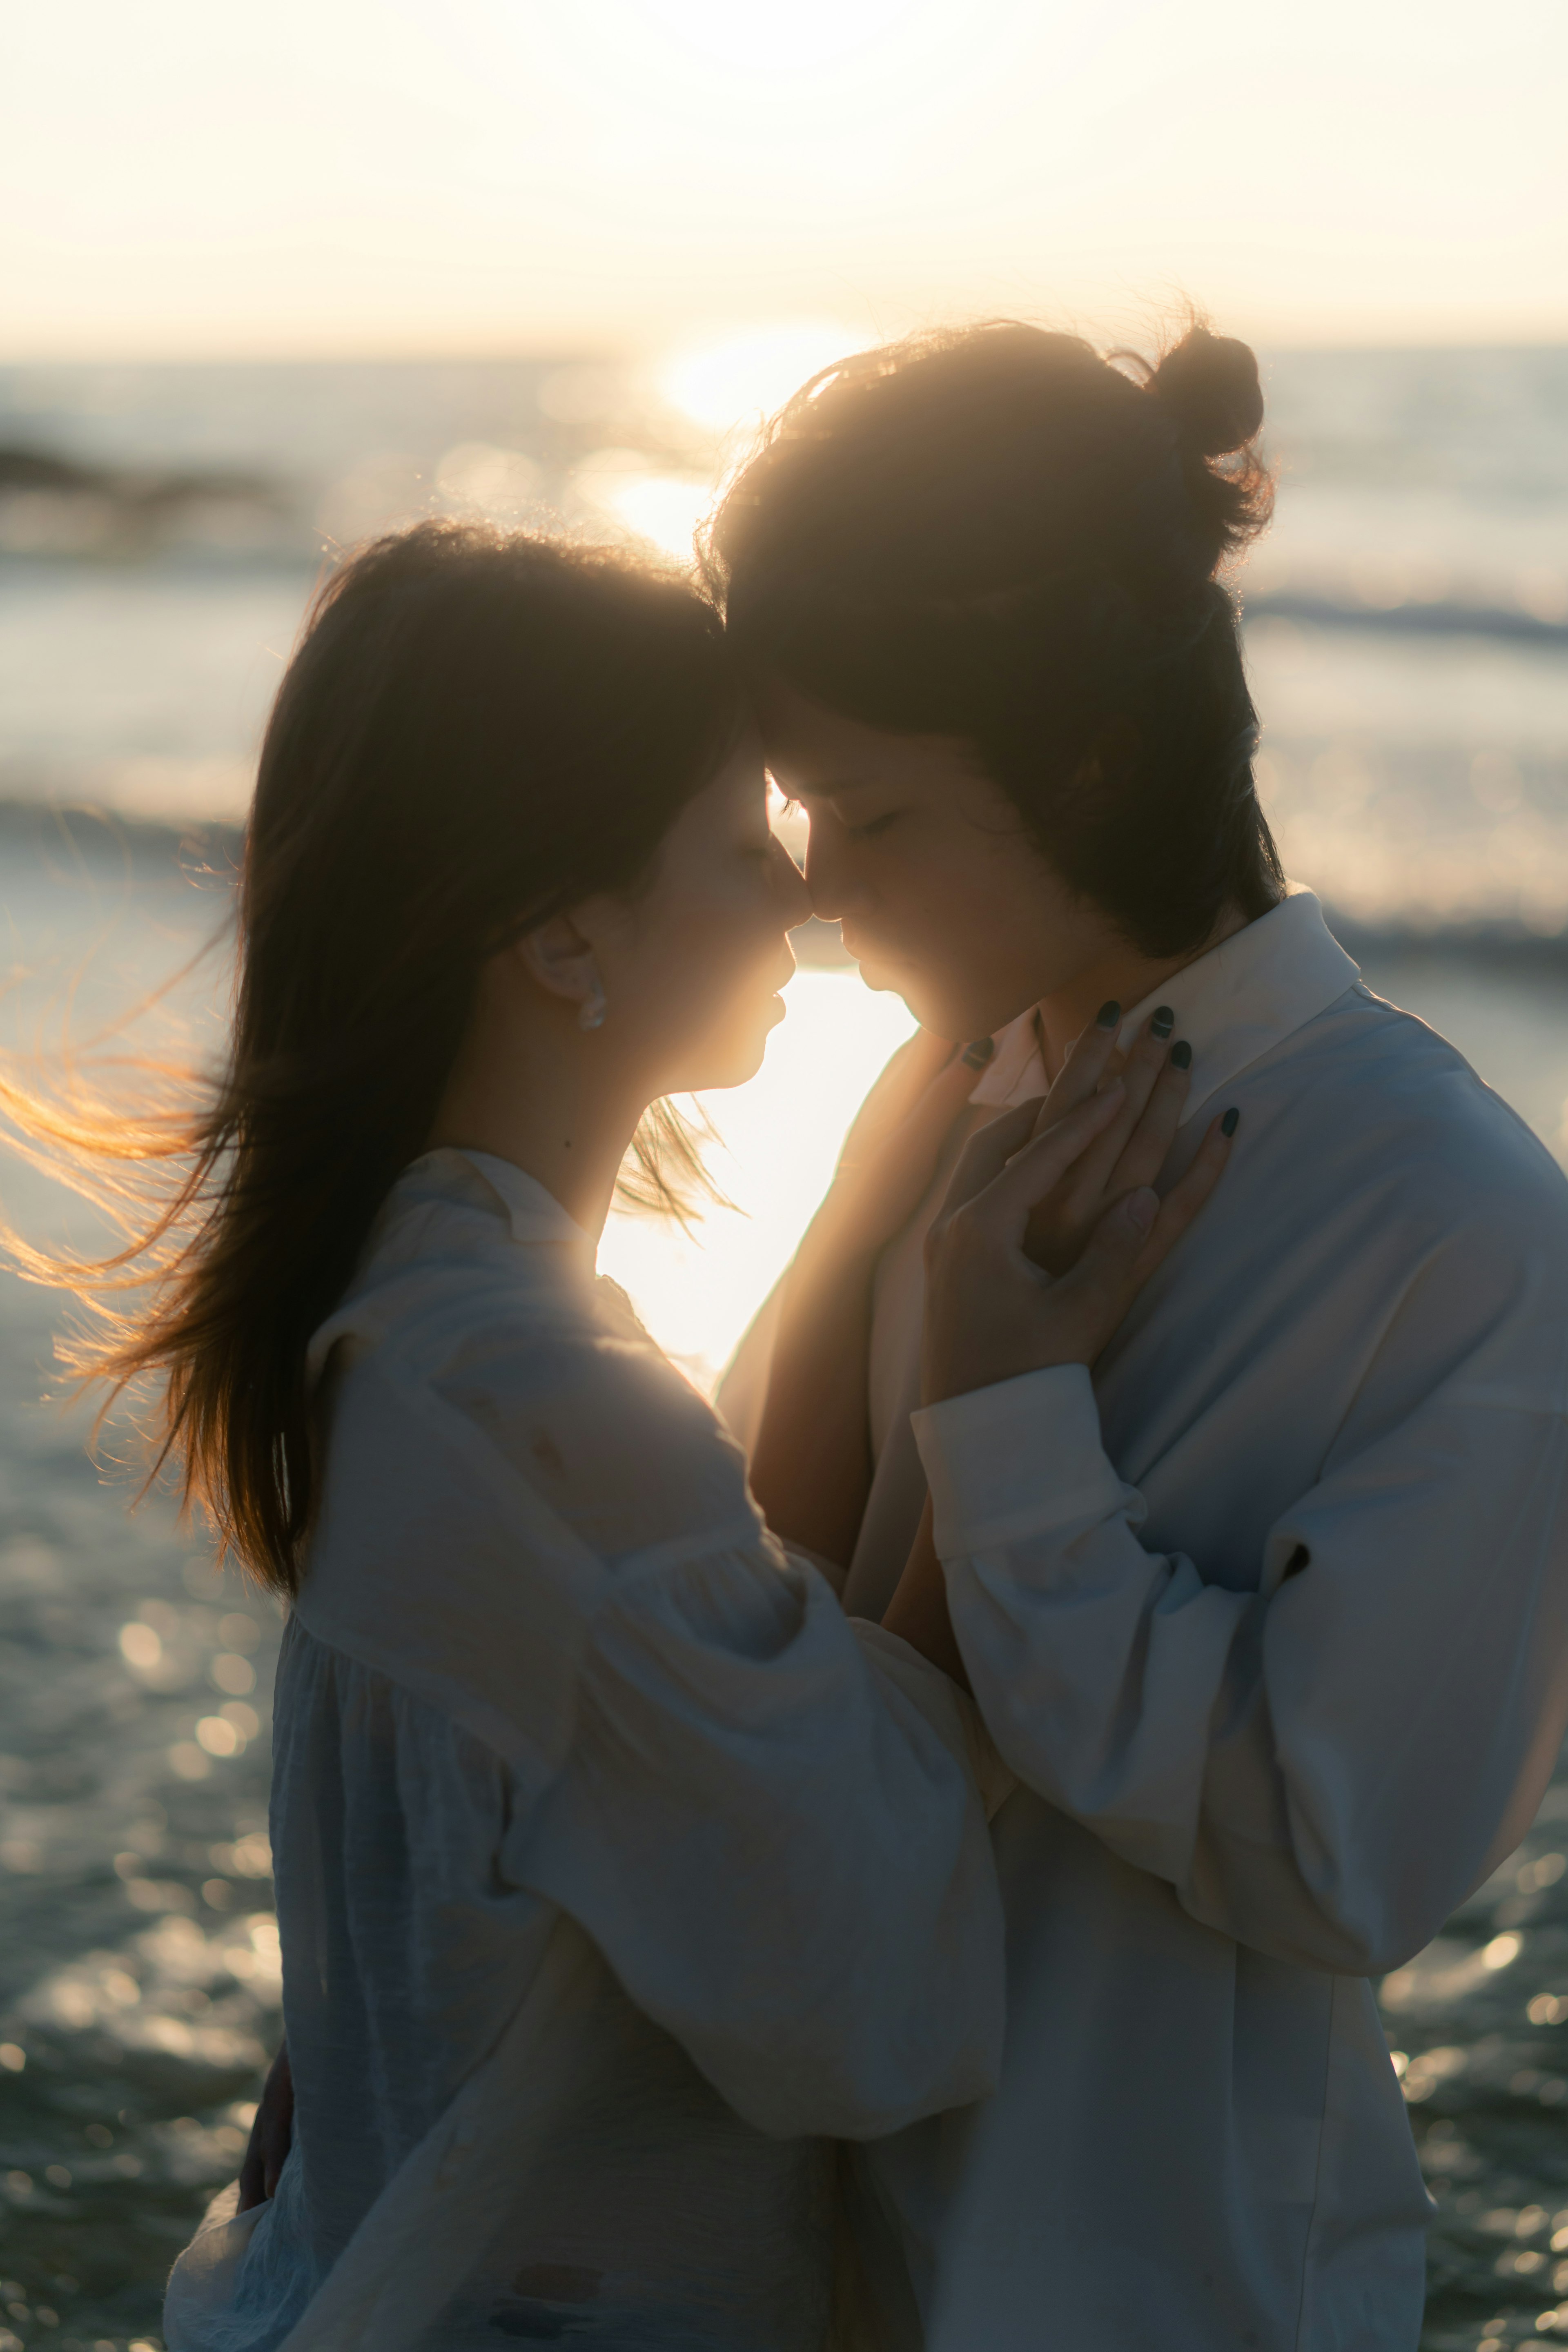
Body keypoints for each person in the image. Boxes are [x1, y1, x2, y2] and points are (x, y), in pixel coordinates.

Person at [0, 521, 1223, 2352]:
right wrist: (993, 1411)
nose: (806, 898)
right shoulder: (530, 1399)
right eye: (743, 845)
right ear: (562, 936)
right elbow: (871, 1990)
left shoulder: (414, 1313)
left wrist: (847, 1267)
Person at [708, 319, 1568, 2350]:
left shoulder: (1453, 1221)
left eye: (873, 814)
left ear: (1086, 759)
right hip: (788, 2253)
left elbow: (1340, 1848)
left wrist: (1007, 1430)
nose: (820, 892)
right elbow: (749, 1646)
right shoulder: (938, 1102)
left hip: (1136, 2284)